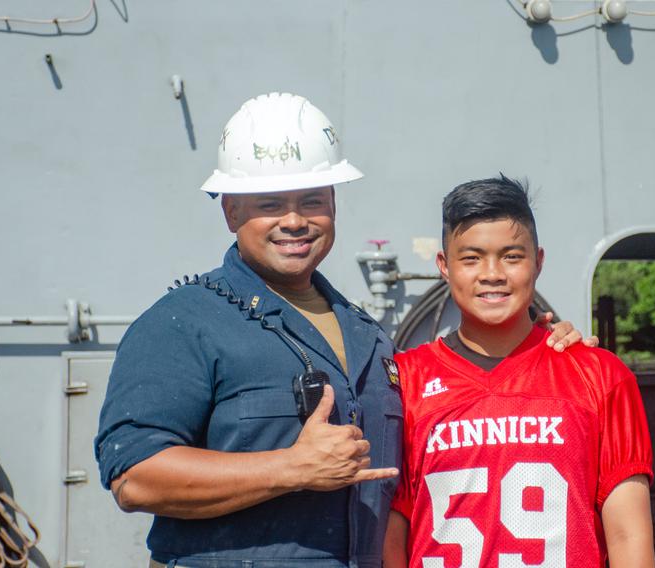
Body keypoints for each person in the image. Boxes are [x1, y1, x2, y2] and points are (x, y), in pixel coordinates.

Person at [94, 93, 593, 568]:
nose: (294, 220)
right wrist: (289, 468)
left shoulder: (368, 338)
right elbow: (134, 477)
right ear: (230, 211)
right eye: (269, 203)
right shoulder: (185, 323)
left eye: (312, 200)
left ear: (333, 205)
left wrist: (546, 352)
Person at [383, 175, 655, 568]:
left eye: (512, 256)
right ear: (444, 266)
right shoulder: (405, 381)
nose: (492, 273)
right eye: (471, 258)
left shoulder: (600, 375)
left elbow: (629, 536)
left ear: (538, 261)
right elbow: (393, 538)